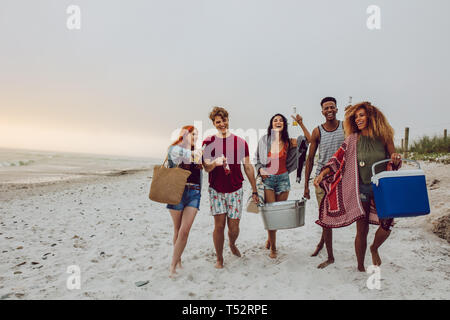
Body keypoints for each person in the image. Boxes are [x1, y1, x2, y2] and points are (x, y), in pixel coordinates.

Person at [314, 102, 402, 272]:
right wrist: (322, 174)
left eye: (361, 115)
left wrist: (396, 159)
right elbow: (336, 159)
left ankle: (374, 248)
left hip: (381, 188)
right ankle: (360, 266)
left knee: (388, 223)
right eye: (356, 117)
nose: (358, 119)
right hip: (360, 189)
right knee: (362, 229)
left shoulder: (384, 136)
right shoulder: (352, 139)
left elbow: (393, 159)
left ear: (371, 115)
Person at [202, 106, 259, 269]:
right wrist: (215, 162)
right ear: (213, 123)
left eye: (224, 120)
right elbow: (206, 167)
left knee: (234, 228)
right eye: (218, 122)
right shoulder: (208, 142)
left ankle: (232, 243)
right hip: (216, 190)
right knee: (219, 226)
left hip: (236, 189)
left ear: (228, 120)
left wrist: (254, 190)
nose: (222, 124)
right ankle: (219, 258)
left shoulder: (241, 142)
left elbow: (248, 166)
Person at [255, 113, 310, 259]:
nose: (278, 122)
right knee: (271, 216)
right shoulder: (264, 140)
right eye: (275, 120)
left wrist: (300, 123)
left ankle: (269, 238)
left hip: (283, 180)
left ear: (284, 124)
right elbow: (257, 159)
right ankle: (273, 247)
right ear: (271, 124)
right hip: (268, 179)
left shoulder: (289, 141)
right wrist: (260, 169)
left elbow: (309, 140)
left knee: (277, 217)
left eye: (281, 120)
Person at [303, 97, 345, 268]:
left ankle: (321, 243)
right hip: (321, 179)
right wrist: (306, 185)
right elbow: (310, 159)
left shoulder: (345, 127)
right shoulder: (317, 131)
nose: (329, 110)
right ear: (322, 111)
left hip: (341, 177)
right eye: (326, 108)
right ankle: (330, 256)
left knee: (332, 216)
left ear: (336, 109)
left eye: (332, 107)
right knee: (325, 217)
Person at [166, 125, 203, 278]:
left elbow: (204, 166)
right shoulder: (174, 149)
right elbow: (186, 154)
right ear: (184, 134)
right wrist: (198, 153)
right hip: (177, 191)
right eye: (191, 134)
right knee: (177, 229)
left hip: (194, 192)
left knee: (184, 230)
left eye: (196, 135)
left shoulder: (197, 152)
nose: (194, 137)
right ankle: (178, 260)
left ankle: (173, 265)